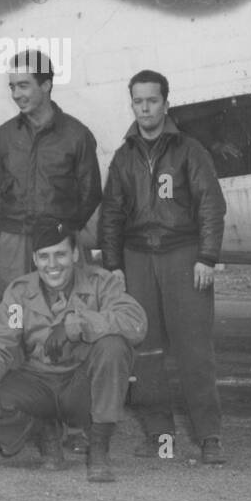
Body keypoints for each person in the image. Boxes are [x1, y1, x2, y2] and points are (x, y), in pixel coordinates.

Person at [98, 70, 228, 465]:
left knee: (194, 350)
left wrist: (207, 256)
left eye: (152, 100)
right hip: (138, 258)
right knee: (145, 350)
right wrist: (114, 265)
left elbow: (211, 204)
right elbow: (111, 217)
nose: (145, 108)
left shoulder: (189, 150)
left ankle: (209, 437)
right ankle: (160, 435)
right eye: (138, 101)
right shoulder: (123, 157)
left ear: (166, 103)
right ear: (132, 104)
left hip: (183, 255)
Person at [0, 219, 146, 483]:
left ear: (74, 254)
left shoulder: (100, 283)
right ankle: (44, 428)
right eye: (44, 257)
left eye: (60, 254)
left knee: (114, 346)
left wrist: (77, 325)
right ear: (35, 259)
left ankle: (98, 447)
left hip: (82, 386)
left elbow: (135, 322)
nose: (53, 265)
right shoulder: (19, 294)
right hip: (38, 382)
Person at [0, 48, 101, 304]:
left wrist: (61, 229)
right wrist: (16, 226)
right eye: (12, 87)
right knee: (14, 310)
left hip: (60, 242)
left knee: (69, 310)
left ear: (46, 84)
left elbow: (90, 192)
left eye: (24, 86)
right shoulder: (4, 135)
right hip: (14, 241)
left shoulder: (76, 134)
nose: (16, 95)